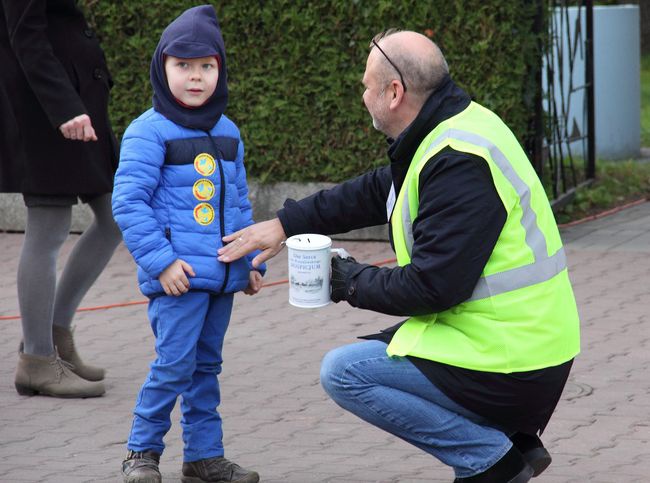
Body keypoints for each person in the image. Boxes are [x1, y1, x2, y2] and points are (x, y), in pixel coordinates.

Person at [217, 29, 581, 483]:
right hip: (506, 336)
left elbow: (432, 288)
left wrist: (345, 280)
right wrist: (284, 224)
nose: (361, 93)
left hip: (517, 359)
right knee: (382, 346)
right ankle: (515, 439)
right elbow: (374, 192)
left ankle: (491, 460)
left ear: (395, 93)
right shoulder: (448, 127)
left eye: (367, 84)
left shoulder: (459, 164)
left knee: (346, 372)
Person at [111, 6, 264, 483]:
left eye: (206, 66)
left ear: (219, 70)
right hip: (179, 278)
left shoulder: (228, 131)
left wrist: (252, 260)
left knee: (206, 370)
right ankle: (141, 452)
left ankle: (203, 457)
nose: (195, 77)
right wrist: (161, 264)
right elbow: (129, 203)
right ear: (163, 67)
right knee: (173, 366)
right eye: (183, 65)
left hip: (221, 276)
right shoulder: (148, 130)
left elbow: (236, 201)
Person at [1, 0, 121, 398]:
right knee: (49, 225)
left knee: (115, 214)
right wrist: (64, 107)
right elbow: (26, 36)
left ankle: (54, 337)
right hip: (47, 110)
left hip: (75, 104)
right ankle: (36, 360)